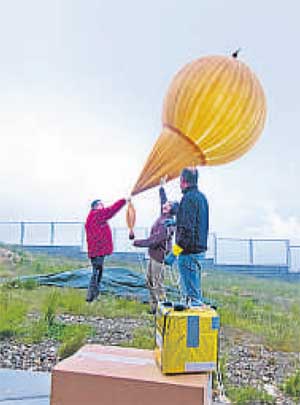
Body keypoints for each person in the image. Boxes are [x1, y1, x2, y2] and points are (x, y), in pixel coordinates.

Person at [165, 167, 208, 306]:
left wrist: (174, 253)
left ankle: (193, 326)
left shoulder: (188, 199)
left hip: (189, 254)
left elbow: (187, 231)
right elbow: (193, 223)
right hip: (198, 251)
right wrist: (176, 222)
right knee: (193, 292)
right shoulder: (201, 197)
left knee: (192, 298)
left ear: (183, 181)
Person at [133, 185, 177, 314]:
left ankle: (162, 309)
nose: (165, 205)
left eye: (168, 205)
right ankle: (154, 308)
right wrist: (162, 188)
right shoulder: (163, 216)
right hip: (153, 256)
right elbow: (163, 201)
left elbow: (155, 240)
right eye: (165, 204)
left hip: (159, 258)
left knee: (158, 284)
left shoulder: (167, 223)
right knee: (149, 281)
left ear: (171, 210)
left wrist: (138, 242)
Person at [85, 197, 127, 302]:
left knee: (97, 272)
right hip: (98, 251)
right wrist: (124, 201)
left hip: (96, 251)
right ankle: (91, 296)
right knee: (96, 273)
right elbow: (111, 210)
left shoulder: (92, 217)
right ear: (95, 207)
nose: (102, 206)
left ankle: (93, 295)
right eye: (100, 204)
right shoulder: (97, 215)